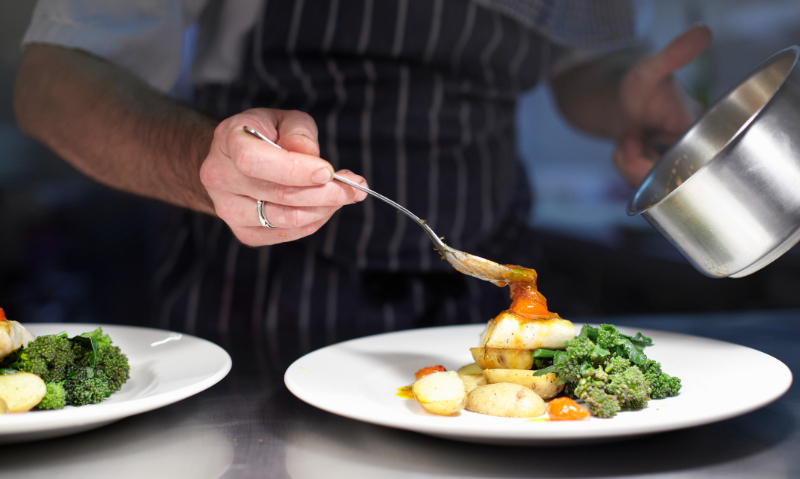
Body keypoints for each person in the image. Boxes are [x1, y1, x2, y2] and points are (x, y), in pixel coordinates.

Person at [14, 0, 711, 369]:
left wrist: (625, 91)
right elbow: (52, 81)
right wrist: (206, 156)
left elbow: (585, 64)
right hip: (262, 296)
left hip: (483, 280)